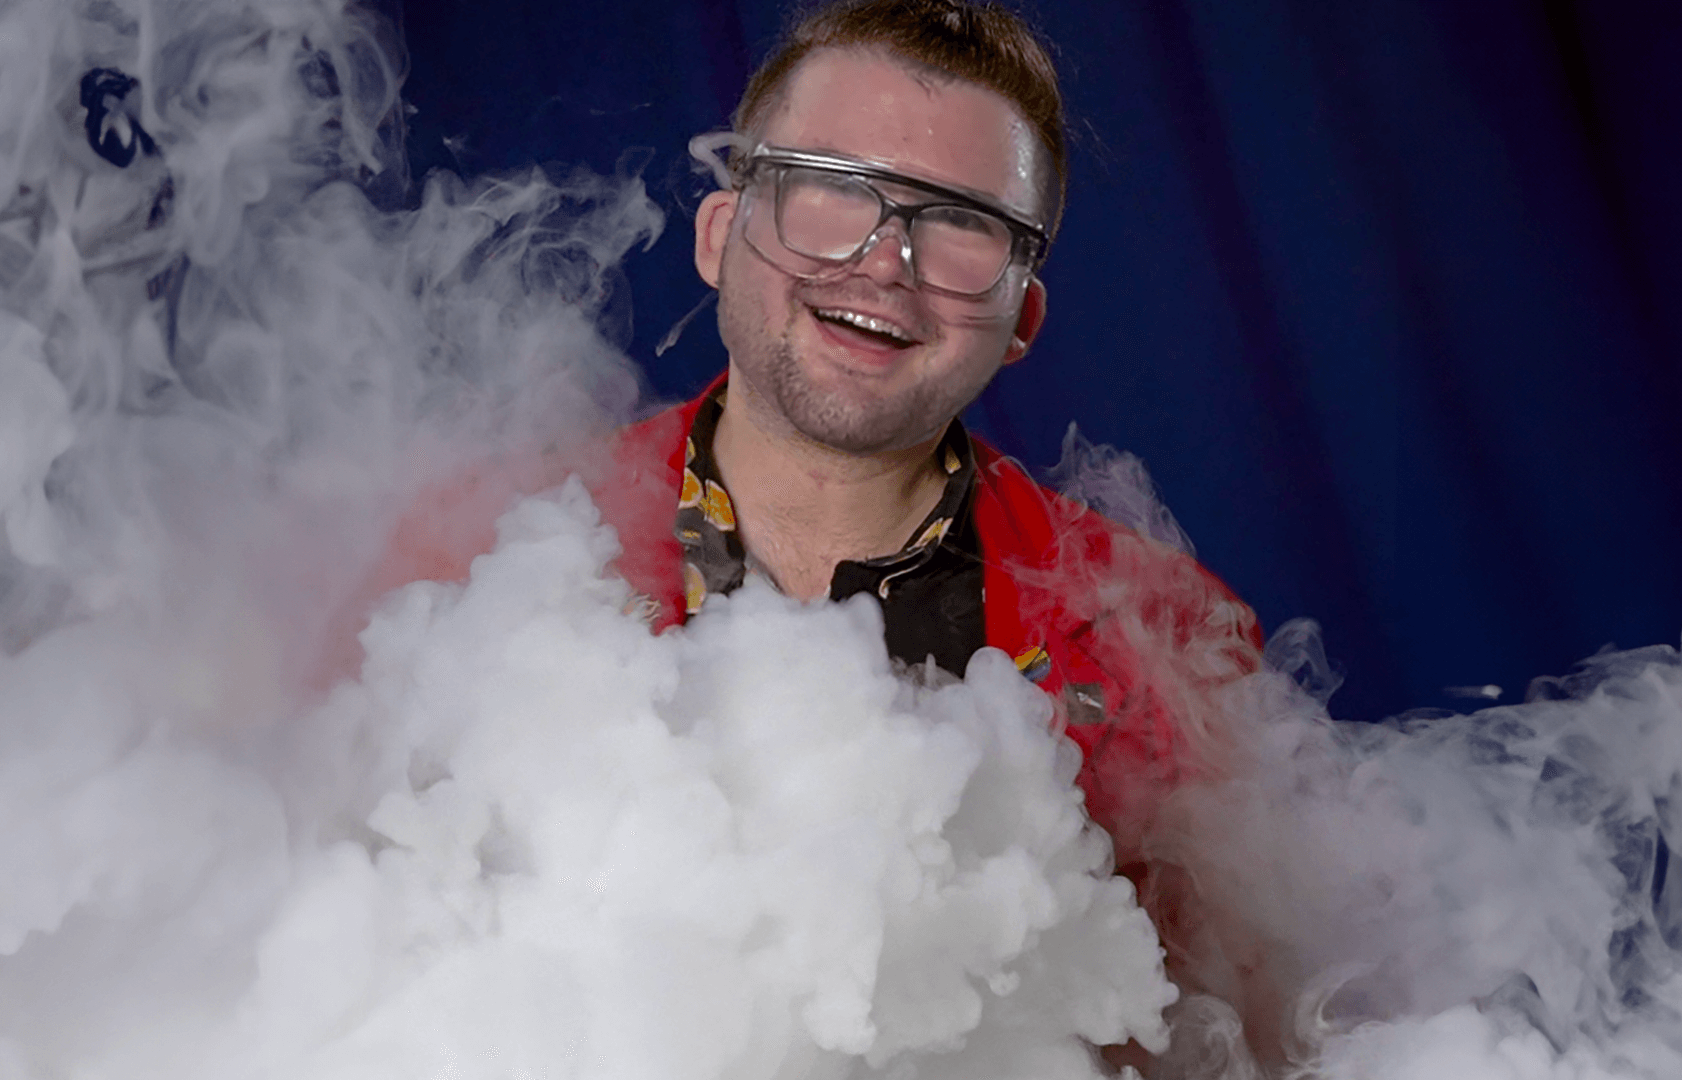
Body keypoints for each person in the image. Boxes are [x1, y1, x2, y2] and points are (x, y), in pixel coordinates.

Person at [373, 0, 1267, 1063]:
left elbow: (1232, 1043)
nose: (887, 261)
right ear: (720, 234)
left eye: (961, 221)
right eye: (834, 189)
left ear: (1023, 315)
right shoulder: (462, 564)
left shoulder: (1167, 651)